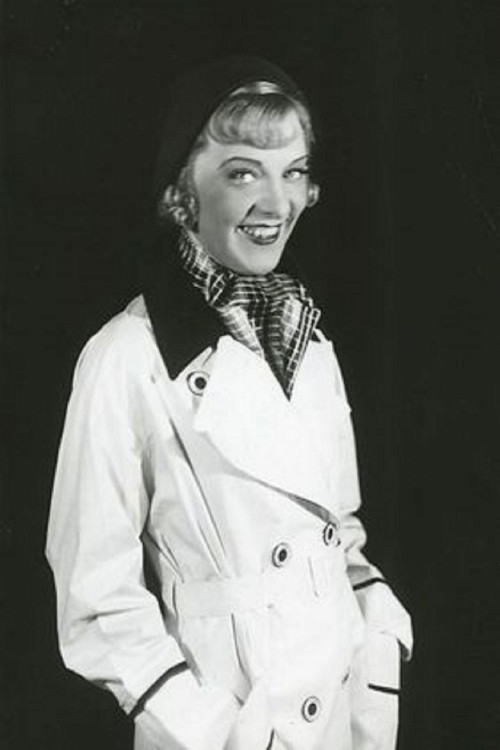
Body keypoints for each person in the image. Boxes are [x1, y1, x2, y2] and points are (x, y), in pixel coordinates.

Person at [46, 56, 413, 750]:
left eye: (294, 172)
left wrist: (378, 633)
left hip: (343, 720)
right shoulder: (126, 358)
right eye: (243, 173)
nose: (277, 204)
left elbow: (340, 531)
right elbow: (95, 603)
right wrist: (219, 733)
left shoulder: (309, 338)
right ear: (183, 191)